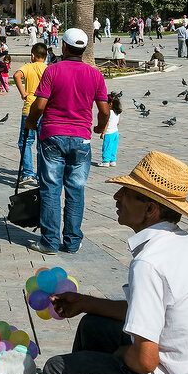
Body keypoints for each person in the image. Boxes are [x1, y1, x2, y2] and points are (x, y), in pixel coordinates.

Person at [42, 152, 188, 374]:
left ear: (150, 209)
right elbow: (148, 313)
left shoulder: (149, 263)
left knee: (56, 371)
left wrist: (123, 355)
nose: (116, 196)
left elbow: (145, 361)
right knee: (92, 325)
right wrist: (85, 303)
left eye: (128, 193)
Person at [25, 28, 110, 254]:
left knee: (51, 189)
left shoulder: (52, 71)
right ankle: (72, 242)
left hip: (52, 135)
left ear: (63, 46)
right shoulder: (95, 75)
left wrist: (31, 122)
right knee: (76, 189)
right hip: (81, 138)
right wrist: (100, 128)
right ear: (83, 49)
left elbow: (40, 104)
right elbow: (104, 110)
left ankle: (50, 242)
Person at [14, 42, 48, 188]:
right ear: (45, 57)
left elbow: (16, 75)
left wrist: (23, 92)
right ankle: (41, 175)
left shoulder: (28, 67)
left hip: (29, 108)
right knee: (42, 143)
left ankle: (28, 172)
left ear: (32, 55)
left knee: (25, 141)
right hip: (44, 109)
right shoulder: (48, 69)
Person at [98, 92, 122, 167]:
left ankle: (106, 161)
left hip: (109, 133)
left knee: (107, 147)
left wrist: (103, 133)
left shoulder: (108, 113)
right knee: (113, 147)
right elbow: (118, 122)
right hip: (116, 132)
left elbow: (107, 123)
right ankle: (113, 160)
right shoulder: (117, 112)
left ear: (110, 104)